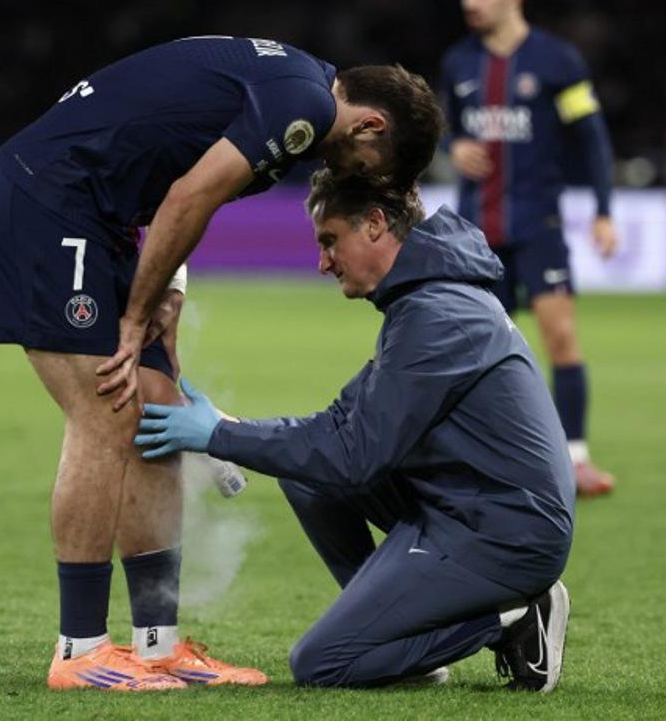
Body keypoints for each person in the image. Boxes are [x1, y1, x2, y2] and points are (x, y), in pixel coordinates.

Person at [0, 35, 443, 691]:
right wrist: (135, 317)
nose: (359, 177)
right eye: (371, 164)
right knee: (107, 412)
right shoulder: (301, 102)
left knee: (159, 408)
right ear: (371, 123)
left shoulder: (290, 92)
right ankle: (79, 651)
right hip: (48, 201)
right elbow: (189, 197)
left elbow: (179, 181)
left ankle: (157, 645)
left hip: (103, 219)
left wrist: (170, 290)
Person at [136, 172, 575, 690]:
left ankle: (515, 619)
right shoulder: (426, 301)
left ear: (374, 225)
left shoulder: (437, 316)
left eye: (329, 240)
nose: (322, 263)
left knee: (323, 664)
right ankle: (404, 643)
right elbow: (337, 427)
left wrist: (218, 437)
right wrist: (232, 428)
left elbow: (351, 456)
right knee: (307, 478)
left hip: (507, 532)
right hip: (470, 502)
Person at [441, 0, 617, 497]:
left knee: (560, 338)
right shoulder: (458, 63)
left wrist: (604, 210)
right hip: (477, 238)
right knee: (476, 355)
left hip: (538, 226)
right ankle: (486, 462)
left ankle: (577, 459)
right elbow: (446, 133)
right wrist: (452, 151)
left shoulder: (556, 61)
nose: (470, 1)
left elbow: (591, 140)